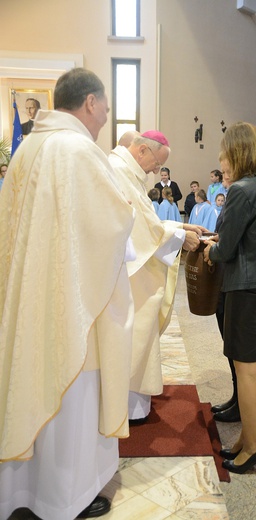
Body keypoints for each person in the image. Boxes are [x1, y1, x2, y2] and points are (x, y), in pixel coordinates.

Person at [0, 68, 136, 520]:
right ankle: (64, 498)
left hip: (29, 294)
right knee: (71, 391)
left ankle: (25, 492)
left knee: (29, 379)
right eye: (106, 109)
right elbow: (112, 221)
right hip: (68, 300)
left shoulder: (30, 147)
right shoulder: (77, 148)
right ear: (92, 103)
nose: (105, 119)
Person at [203, 122, 256, 475]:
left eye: (226, 153)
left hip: (245, 286)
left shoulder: (241, 189)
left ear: (237, 152)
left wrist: (210, 251)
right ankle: (247, 437)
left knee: (247, 371)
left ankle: (253, 446)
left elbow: (227, 248)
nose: (223, 159)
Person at [108, 131, 201, 423]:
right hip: (127, 273)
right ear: (143, 150)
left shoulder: (129, 171)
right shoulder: (119, 170)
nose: (154, 171)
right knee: (135, 330)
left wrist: (182, 228)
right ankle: (126, 405)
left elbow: (148, 220)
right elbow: (139, 229)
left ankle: (134, 402)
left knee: (140, 331)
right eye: (155, 164)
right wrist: (179, 236)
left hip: (128, 270)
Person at [211, 158, 240, 424]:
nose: (224, 178)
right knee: (229, 341)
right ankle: (236, 397)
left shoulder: (240, 195)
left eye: (227, 172)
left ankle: (241, 403)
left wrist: (210, 247)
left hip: (234, 280)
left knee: (235, 344)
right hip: (228, 279)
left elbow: (231, 244)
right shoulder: (233, 195)